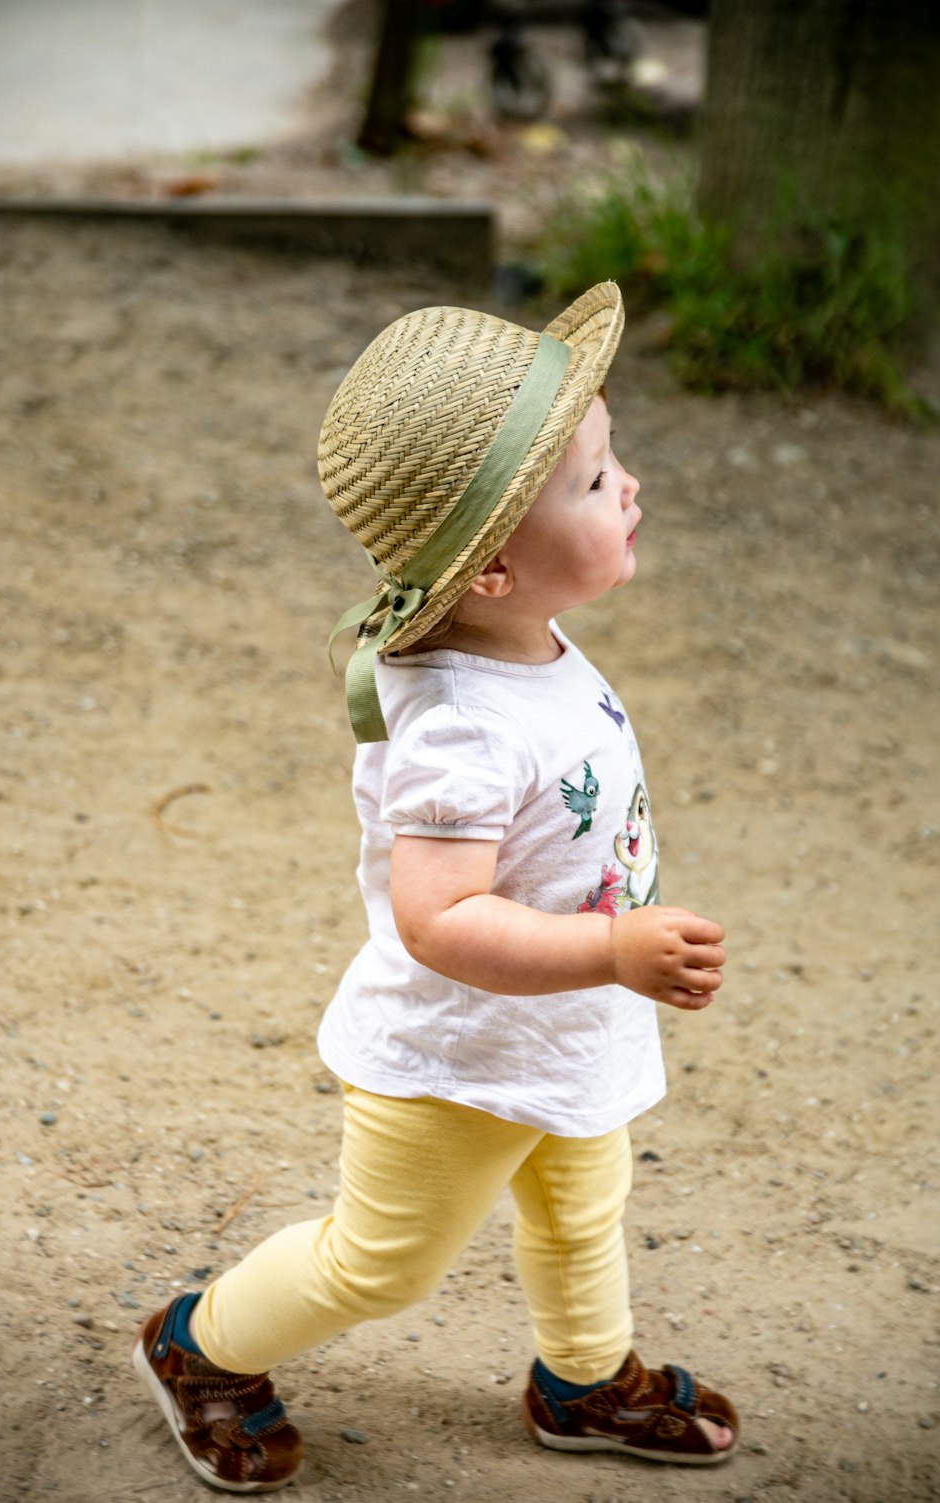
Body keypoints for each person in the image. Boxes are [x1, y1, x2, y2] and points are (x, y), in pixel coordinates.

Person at [132, 282, 739, 1492]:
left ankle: (582, 1377)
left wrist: (603, 975)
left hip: (563, 1029)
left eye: (611, 460)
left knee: (581, 1209)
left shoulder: (529, 642)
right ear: (496, 574)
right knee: (384, 1265)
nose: (629, 486)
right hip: (459, 1057)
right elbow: (440, 918)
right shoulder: (458, 725)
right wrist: (616, 953)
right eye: (592, 480)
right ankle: (198, 1346)